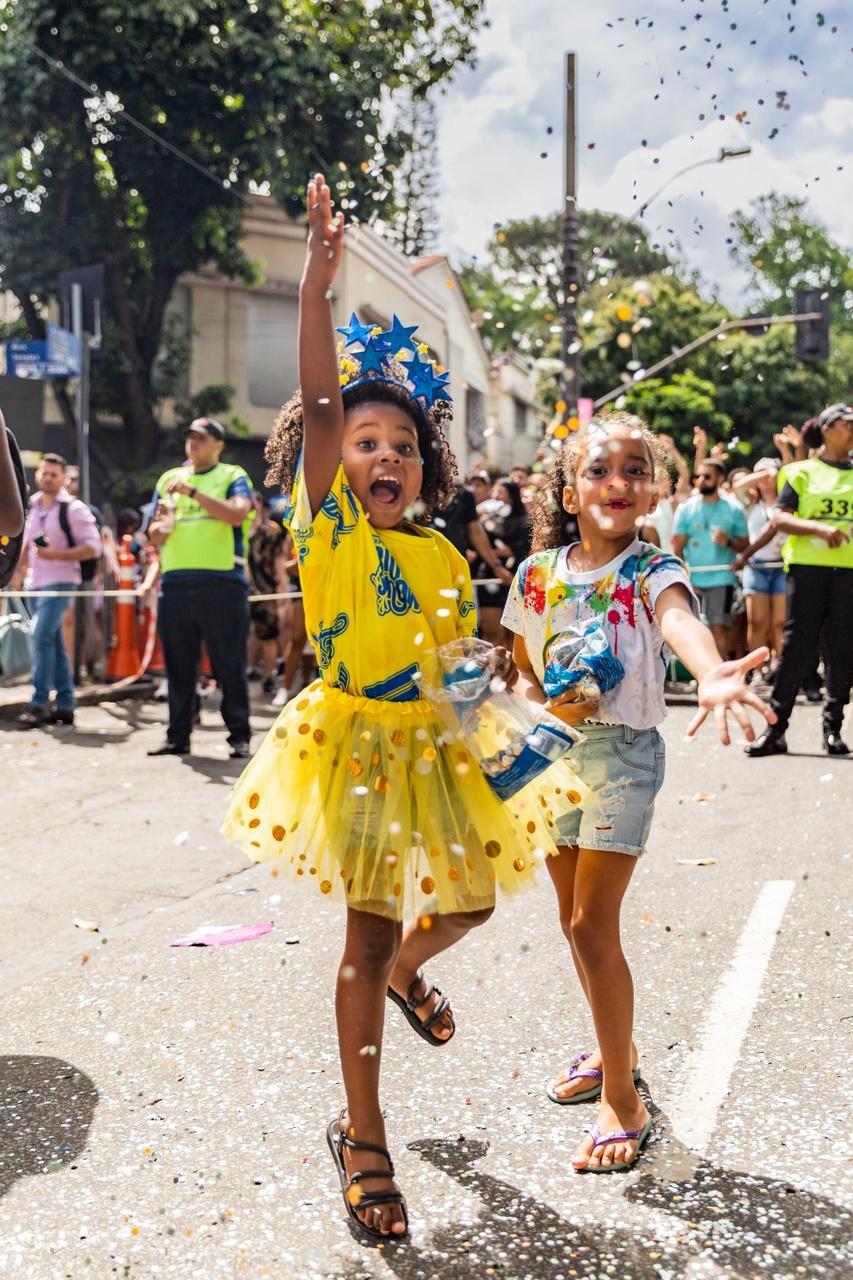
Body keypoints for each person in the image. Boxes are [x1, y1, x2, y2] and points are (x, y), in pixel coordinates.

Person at [222, 174, 574, 1240]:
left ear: (427, 472)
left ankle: (411, 974)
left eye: (405, 445)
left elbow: (450, 652)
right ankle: (363, 1133)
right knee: (363, 944)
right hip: (357, 751)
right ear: (330, 463)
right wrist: (318, 286)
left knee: (467, 904)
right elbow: (325, 399)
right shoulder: (330, 529)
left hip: (441, 743)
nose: (385, 453)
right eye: (367, 442)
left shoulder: (433, 548)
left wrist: (498, 691)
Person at [502, 413, 774, 1174]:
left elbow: (680, 621)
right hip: (551, 757)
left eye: (632, 470)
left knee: (592, 923)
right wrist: (531, 711)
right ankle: (609, 1047)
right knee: (572, 922)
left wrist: (711, 667)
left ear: (651, 491)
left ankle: (622, 1099)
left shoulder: (651, 570)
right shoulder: (536, 575)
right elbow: (524, 668)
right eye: (597, 470)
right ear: (565, 489)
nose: (615, 482)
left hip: (622, 756)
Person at [746, 403, 853, 757]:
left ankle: (833, 728)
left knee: (841, 649)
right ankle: (776, 729)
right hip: (807, 570)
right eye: (844, 424)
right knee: (795, 648)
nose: (851, 430)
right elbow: (780, 518)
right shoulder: (800, 472)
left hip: (848, 574)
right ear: (825, 429)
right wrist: (820, 528)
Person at [145, 417, 253, 759]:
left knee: (229, 664)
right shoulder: (168, 480)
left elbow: (238, 514)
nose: (194, 443)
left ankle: (239, 735)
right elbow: (153, 535)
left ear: (218, 445)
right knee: (178, 664)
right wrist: (162, 524)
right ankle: (178, 735)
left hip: (222, 581)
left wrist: (193, 492)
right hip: (176, 581)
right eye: (190, 437)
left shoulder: (232, 476)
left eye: (202, 439)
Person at [14, 454, 101, 728]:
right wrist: (19, 572)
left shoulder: (73, 509)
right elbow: (27, 547)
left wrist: (56, 555)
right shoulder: (31, 506)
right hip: (34, 584)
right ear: (38, 474)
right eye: (45, 473)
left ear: (63, 477)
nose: (48, 478)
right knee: (54, 643)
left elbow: (93, 548)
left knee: (39, 637)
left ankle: (39, 703)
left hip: (62, 582)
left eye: (54, 474)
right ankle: (65, 704)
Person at [672, 458, 748, 658]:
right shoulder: (686, 508)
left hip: (722, 579)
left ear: (720, 478)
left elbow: (745, 545)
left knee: (719, 627)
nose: (701, 480)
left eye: (707, 476)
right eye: (699, 476)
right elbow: (676, 545)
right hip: (692, 578)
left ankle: (718, 675)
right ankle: (700, 675)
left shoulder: (734, 509)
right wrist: (683, 576)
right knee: (694, 630)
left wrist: (729, 543)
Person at [730, 459, 788, 668]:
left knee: (780, 623)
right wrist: (764, 473)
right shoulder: (751, 502)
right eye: (761, 475)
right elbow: (739, 486)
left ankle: (780, 665)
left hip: (782, 566)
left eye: (770, 475)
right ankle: (757, 669)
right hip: (756, 567)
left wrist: (777, 473)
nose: (767, 479)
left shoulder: (785, 500)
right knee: (758, 623)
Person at [475, 477, 531, 646]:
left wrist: (509, 551)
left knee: (515, 638)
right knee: (492, 631)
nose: (496, 495)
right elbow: (478, 543)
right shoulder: (486, 520)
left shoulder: (526, 520)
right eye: (496, 490)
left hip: (515, 576)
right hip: (491, 576)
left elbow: (524, 545)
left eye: (502, 491)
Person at [247, 491, 289, 695]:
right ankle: (246, 670)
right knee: (241, 635)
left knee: (268, 635)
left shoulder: (271, 531)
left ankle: (268, 676)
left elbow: (279, 562)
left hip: (265, 590)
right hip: (236, 590)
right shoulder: (232, 527)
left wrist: (281, 591)